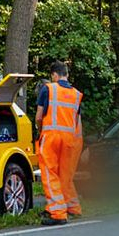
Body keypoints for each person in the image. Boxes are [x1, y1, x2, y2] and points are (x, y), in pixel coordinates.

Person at [35, 61, 83, 224]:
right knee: (65, 175)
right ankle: (72, 207)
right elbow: (76, 121)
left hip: (51, 136)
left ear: (54, 75)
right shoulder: (77, 94)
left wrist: (39, 129)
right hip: (70, 139)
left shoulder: (48, 89)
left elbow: (39, 116)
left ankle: (57, 213)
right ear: (67, 74)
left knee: (50, 174)